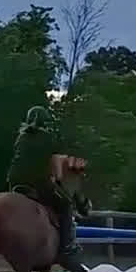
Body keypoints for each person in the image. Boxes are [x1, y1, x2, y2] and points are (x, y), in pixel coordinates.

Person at [6, 105, 81, 261]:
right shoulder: (48, 138)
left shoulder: (21, 137)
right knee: (66, 205)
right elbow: (55, 164)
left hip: (14, 181)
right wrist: (59, 181)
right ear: (44, 121)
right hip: (37, 182)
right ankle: (66, 246)